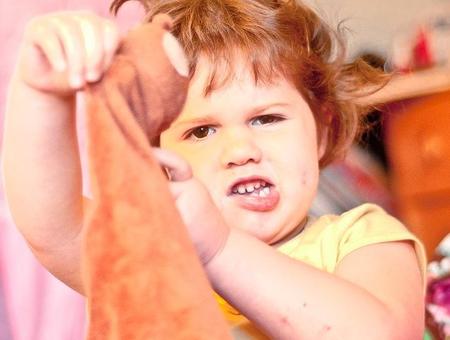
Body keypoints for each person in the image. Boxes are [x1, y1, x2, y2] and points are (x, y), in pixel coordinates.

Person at [2, 0, 426, 338]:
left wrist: (219, 249)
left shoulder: (364, 239)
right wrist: (38, 89)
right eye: (202, 131)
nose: (240, 150)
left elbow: (378, 333)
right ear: (157, 159)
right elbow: (54, 226)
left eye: (266, 119)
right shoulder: (155, 261)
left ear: (320, 131)